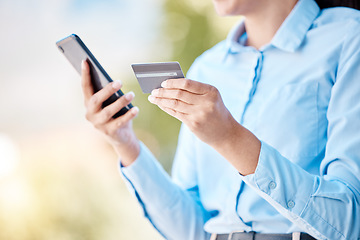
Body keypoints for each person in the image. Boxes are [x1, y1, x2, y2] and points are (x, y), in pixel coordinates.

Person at [80, 0, 360, 239]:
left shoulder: (349, 37)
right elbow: (191, 230)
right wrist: (125, 142)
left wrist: (230, 138)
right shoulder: (207, 67)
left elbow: (348, 221)